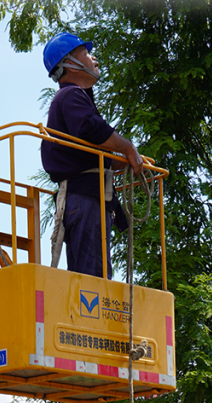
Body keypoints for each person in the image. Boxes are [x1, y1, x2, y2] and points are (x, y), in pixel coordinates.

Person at [41, 32, 145, 279]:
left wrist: (122, 163)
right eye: (86, 53)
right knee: (93, 280)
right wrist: (128, 148)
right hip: (86, 199)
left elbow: (87, 150)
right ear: (70, 64)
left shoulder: (75, 99)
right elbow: (91, 129)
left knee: (85, 277)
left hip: (81, 198)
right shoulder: (70, 95)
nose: (94, 58)